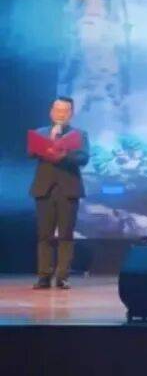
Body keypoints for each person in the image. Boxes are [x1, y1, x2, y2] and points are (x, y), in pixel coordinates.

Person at [30, 97, 90, 290]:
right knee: (44, 235)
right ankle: (43, 276)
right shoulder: (40, 132)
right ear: (51, 112)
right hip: (44, 188)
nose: (61, 114)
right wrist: (50, 141)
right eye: (58, 110)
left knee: (66, 235)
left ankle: (62, 276)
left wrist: (63, 152)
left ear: (70, 114)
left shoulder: (79, 134)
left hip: (68, 189)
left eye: (65, 111)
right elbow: (31, 153)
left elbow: (83, 158)